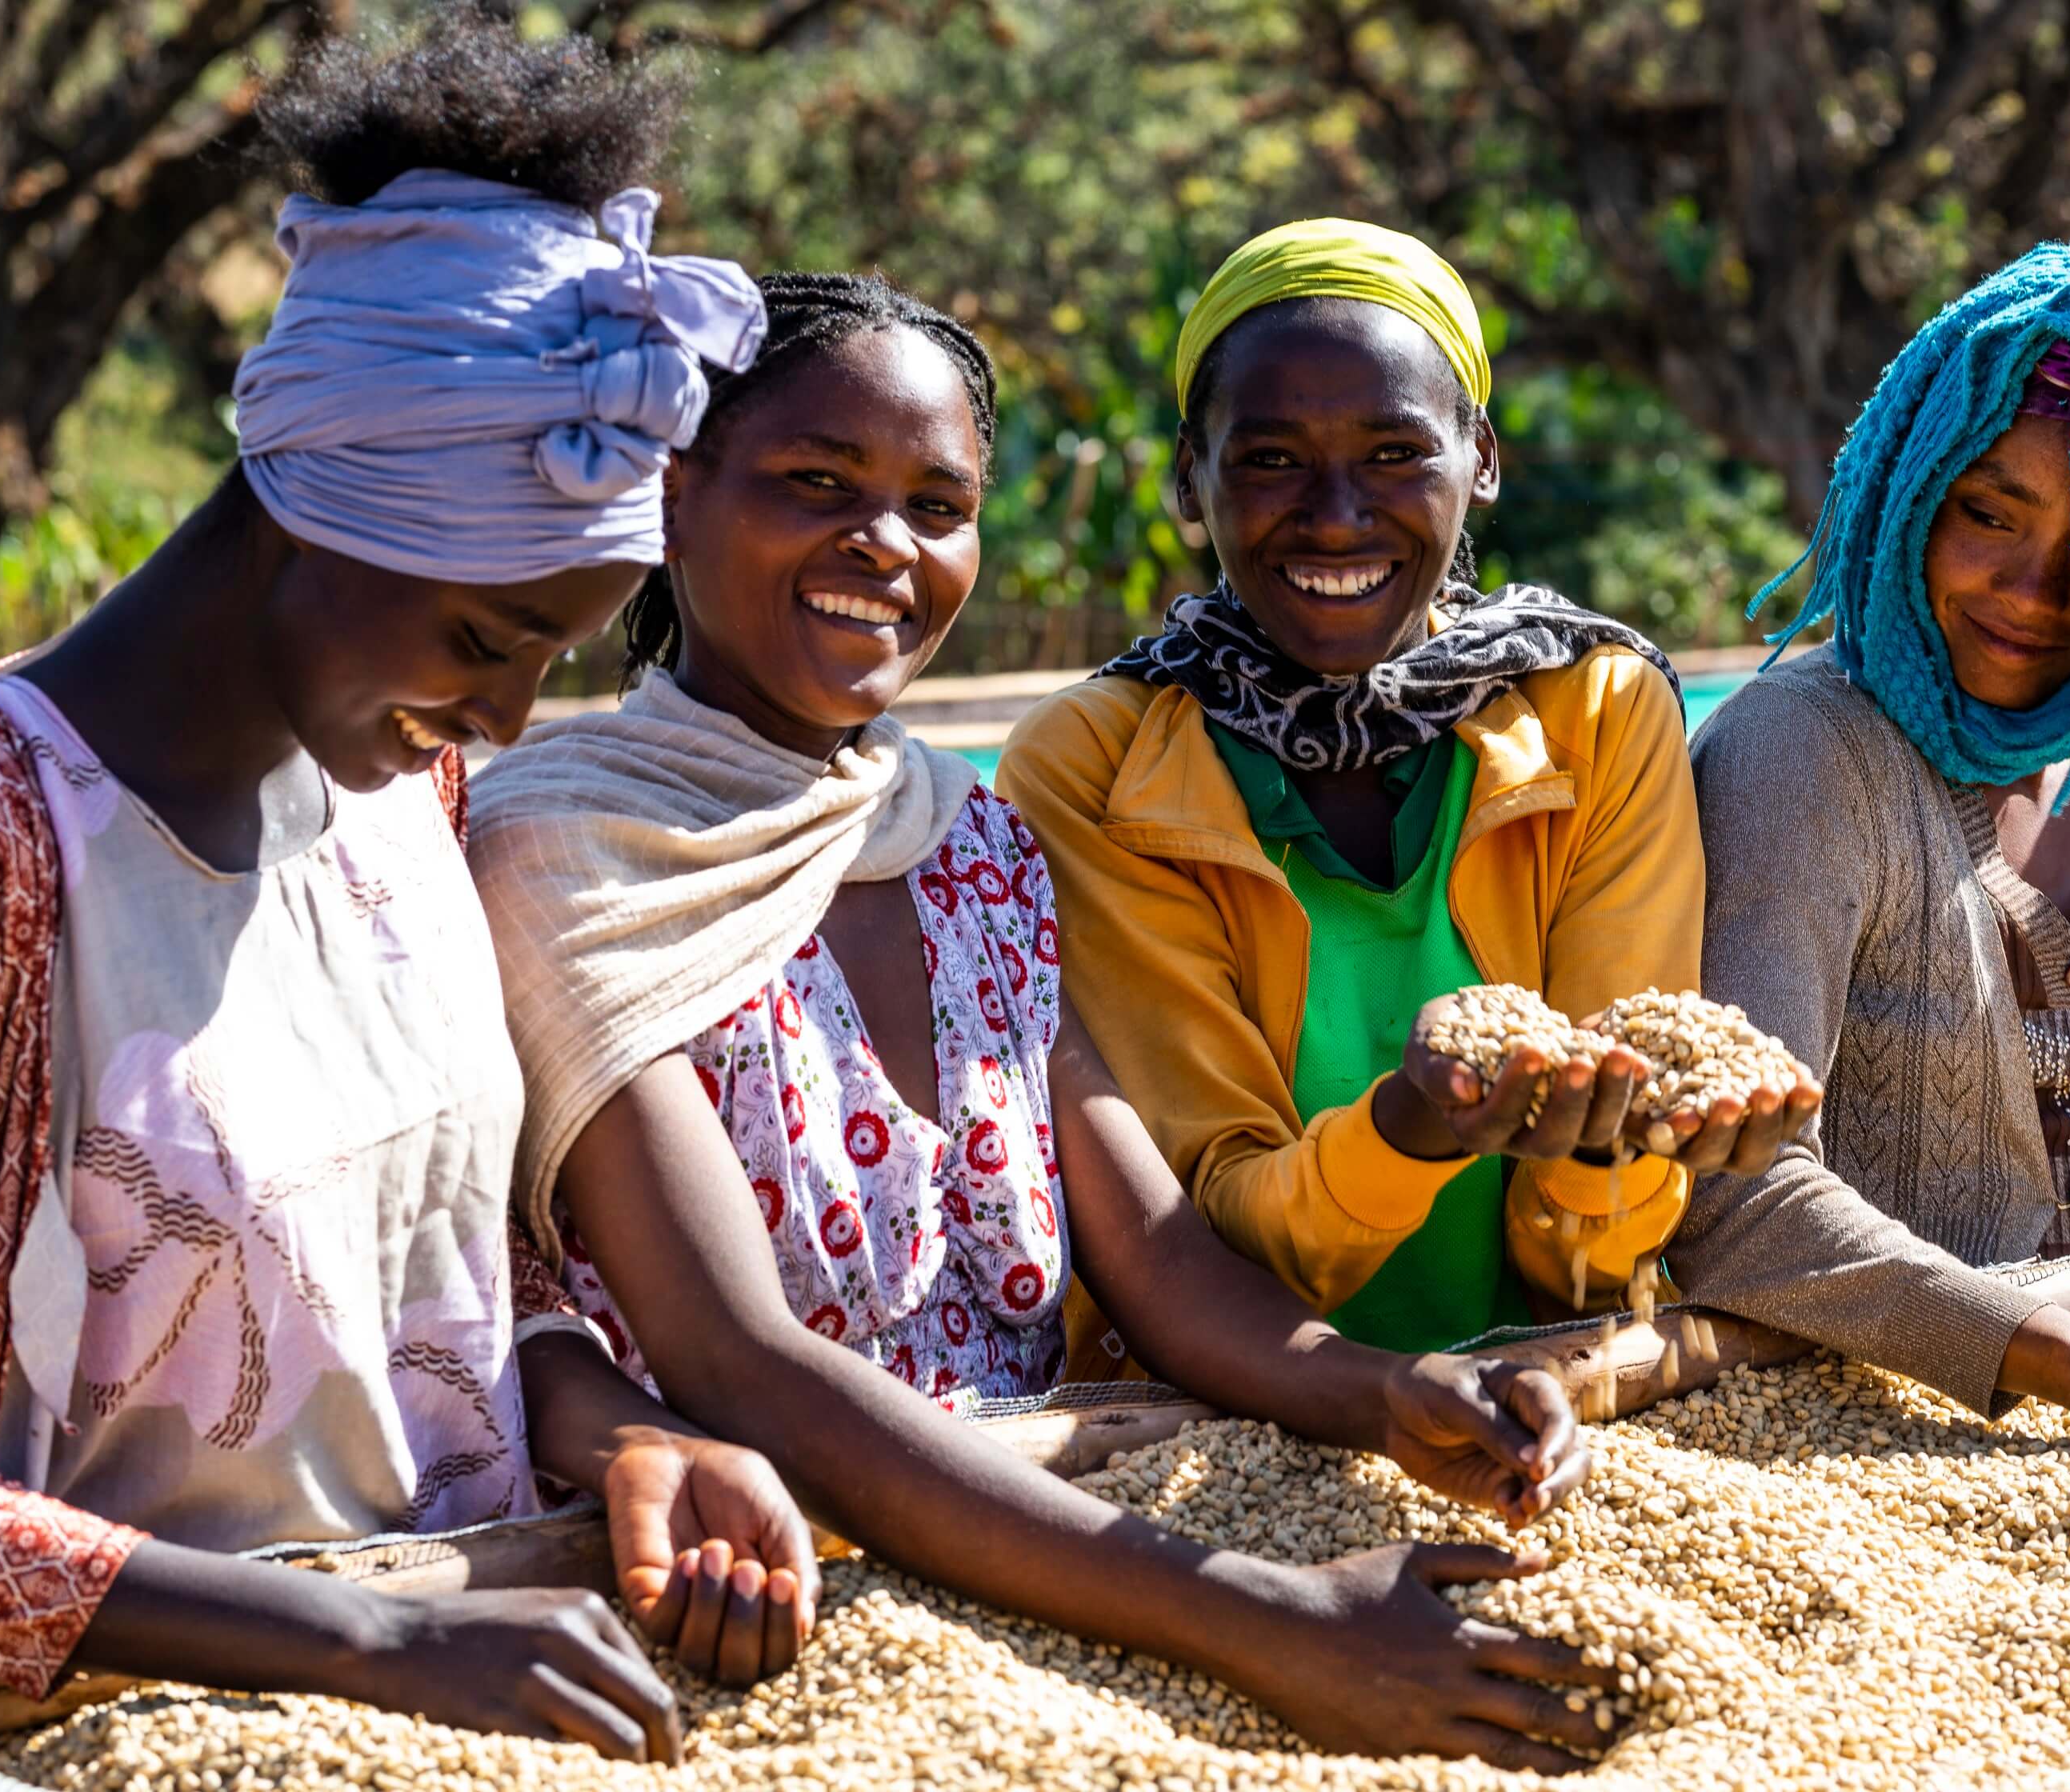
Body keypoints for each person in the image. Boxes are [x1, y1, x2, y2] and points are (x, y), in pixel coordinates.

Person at [465, 270, 1626, 1776]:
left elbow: (1153, 1257)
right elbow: (742, 1362)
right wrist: (1269, 1620)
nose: (883, 546)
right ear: (675, 501)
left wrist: (1390, 1389)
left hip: (1045, 1542)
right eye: (817, 483)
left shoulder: (971, 844)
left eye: (935, 505)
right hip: (750, 1590)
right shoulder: (568, 851)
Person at [0, 16, 804, 1764]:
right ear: (313, 516)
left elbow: (415, 1279)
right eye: (488, 634)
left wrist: (617, 1433)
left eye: (560, 650)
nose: (513, 712)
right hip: (120, 1728)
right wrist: (358, 1640)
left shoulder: (403, 793)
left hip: (463, 1679)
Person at [999, 218, 1820, 1368]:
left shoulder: (1593, 711)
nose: (1336, 516)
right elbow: (1199, 1245)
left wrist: (1617, 1144)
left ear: (1481, 457)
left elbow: (1594, 1267)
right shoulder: (1096, 765)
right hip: (1224, 1404)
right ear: (1191, 476)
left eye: (1395, 453)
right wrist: (1409, 1129)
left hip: (1542, 1389)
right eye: (1271, 459)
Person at [1681, 243, 2070, 1462]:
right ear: (1910, 487)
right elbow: (1738, 1201)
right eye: (1987, 512)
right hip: (1822, 1428)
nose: (2035, 593)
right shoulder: (1804, 756)